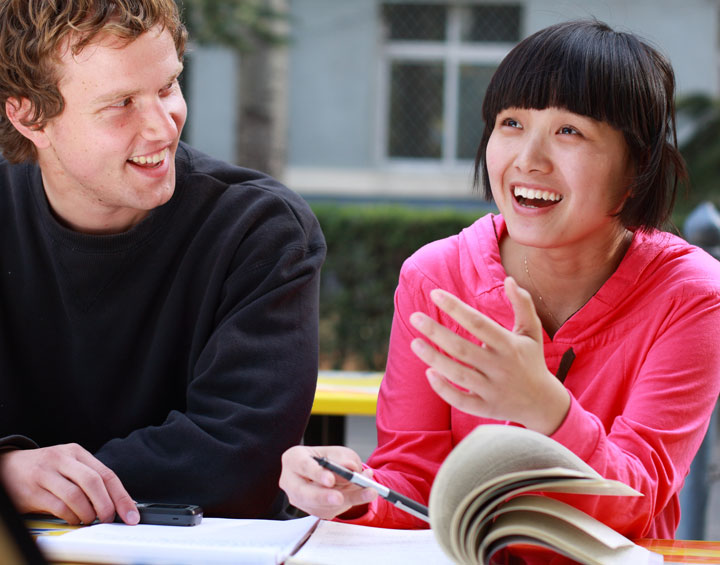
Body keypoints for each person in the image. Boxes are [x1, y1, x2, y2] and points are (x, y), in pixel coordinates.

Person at [279, 19, 720, 541]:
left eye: (569, 131)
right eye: (511, 123)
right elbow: (415, 479)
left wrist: (545, 408)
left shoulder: (692, 295)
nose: (527, 160)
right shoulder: (436, 276)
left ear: (636, 168)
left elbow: (637, 509)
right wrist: (352, 493)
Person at [0, 0, 325, 526]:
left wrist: (43, 485)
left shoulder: (260, 230)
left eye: (168, 87)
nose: (162, 127)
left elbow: (242, 459)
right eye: (121, 103)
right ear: (30, 117)